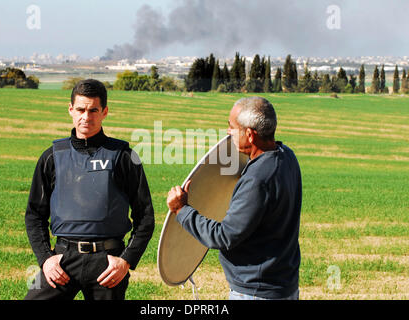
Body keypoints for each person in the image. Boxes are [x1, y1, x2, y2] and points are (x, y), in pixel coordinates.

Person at [25, 79, 155, 300]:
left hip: (108, 263)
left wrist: (125, 260)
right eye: (80, 110)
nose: (86, 117)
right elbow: (34, 215)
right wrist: (46, 258)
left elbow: (145, 216)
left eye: (93, 110)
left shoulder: (124, 157)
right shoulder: (52, 157)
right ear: (70, 110)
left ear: (104, 112)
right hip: (63, 258)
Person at [167, 97, 302, 300]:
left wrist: (182, 210)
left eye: (232, 127)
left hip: (257, 292)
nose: (228, 133)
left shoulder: (257, 180)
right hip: (284, 284)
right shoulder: (287, 157)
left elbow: (224, 236)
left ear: (249, 134)